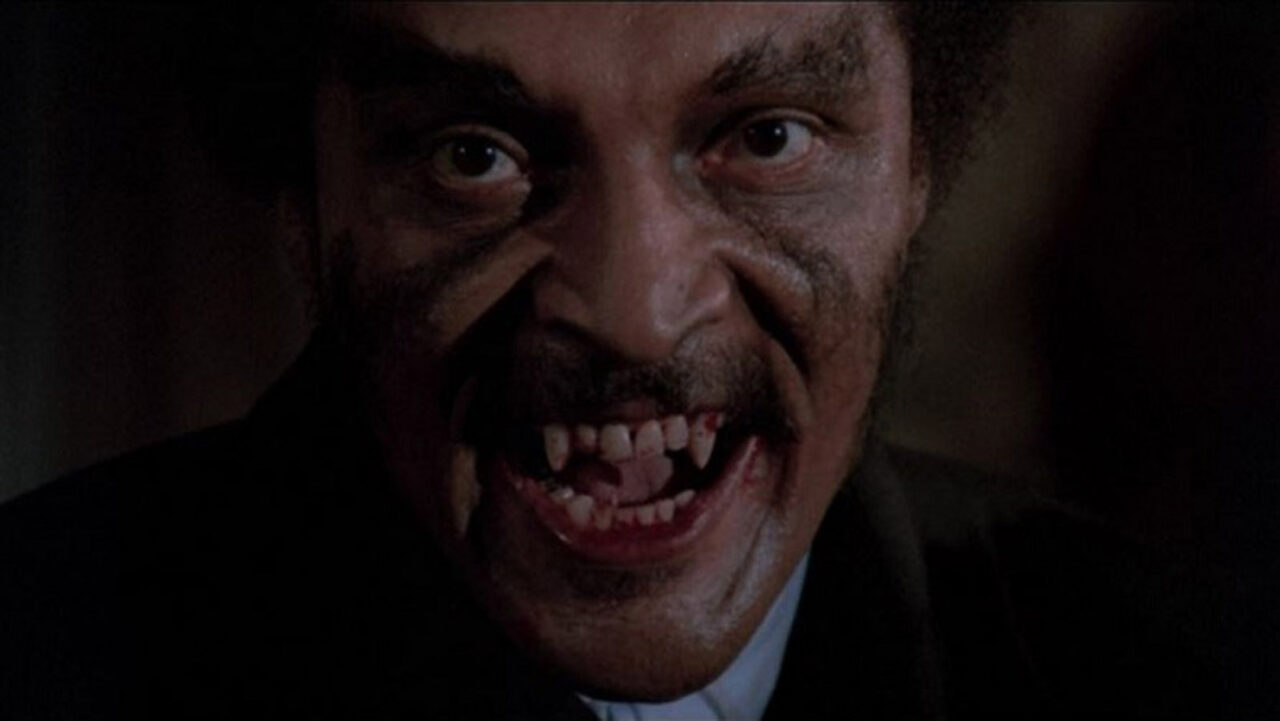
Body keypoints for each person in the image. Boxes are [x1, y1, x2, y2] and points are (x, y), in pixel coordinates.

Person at [0, 5, 1233, 719]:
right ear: (301, 201)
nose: (635, 316)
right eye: (472, 157)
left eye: (767, 138)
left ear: (917, 165)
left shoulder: (1153, 669)